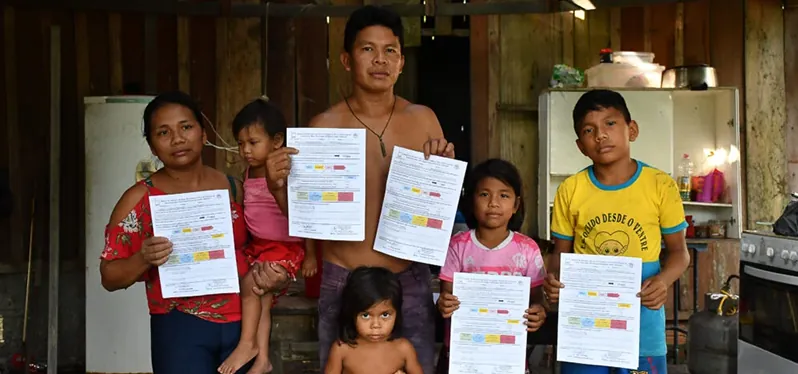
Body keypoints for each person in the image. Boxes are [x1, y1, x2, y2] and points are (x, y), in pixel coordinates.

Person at [263, 5, 454, 373]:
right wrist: (276, 187)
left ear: (400, 62)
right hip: (344, 280)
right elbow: (306, 216)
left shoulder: (423, 119)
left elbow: (437, 206)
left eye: (390, 51)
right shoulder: (322, 128)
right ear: (347, 60)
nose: (380, 60)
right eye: (367, 49)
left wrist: (443, 170)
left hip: (408, 281)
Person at [99, 91, 292, 374]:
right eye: (163, 132)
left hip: (243, 328)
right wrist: (143, 258)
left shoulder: (234, 188)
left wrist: (277, 275)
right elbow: (109, 276)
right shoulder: (139, 199)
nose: (177, 139)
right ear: (152, 146)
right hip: (180, 328)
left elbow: (266, 245)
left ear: (203, 134)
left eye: (186, 127)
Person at [543, 89, 690, 374]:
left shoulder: (660, 185)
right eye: (589, 129)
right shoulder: (571, 190)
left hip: (642, 327)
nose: (600, 135)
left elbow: (679, 253)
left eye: (610, 123)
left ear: (631, 129)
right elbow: (560, 254)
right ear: (580, 145)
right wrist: (553, 281)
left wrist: (663, 281)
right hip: (586, 328)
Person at [219, 98, 318, 374]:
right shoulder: (248, 172)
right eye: (240, 144)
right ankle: (262, 359)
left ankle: (247, 343)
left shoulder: (287, 172)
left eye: (253, 142)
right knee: (260, 295)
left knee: (253, 285)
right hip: (259, 248)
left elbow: (304, 214)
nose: (245, 151)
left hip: (285, 248)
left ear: (276, 142)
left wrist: (310, 254)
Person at [436, 159, 548, 374]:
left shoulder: (527, 249)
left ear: (516, 205)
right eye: (484, 194)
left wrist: (538, 312)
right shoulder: (458, 245)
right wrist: (445, 304)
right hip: (464, 354)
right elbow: (446, 296)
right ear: (471, 201)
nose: (493, 203)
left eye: (504, 195)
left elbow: (537, 300)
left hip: (507, 354)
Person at [324, 266, 422, 374]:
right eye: (366, 315)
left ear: (397, 313)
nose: (376, 325)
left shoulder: (404, 349)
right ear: (351, 313)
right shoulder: (342, 349)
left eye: (385, 315)